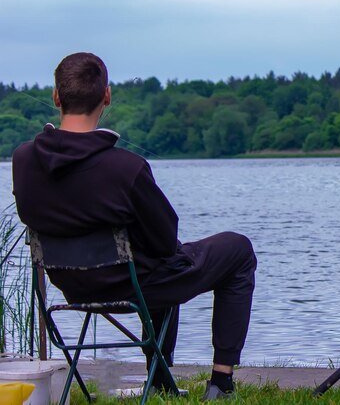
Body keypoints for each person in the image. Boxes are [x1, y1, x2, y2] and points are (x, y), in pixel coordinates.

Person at [12, 52, 257, 400]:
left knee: (153, 261)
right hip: (132, 288)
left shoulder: (22, 160)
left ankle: (158, 379)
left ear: (56, 97)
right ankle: (221, 382)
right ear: (106, 96)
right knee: (238, 249)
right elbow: (164, 241)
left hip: (72, 287)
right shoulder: (127, 168)